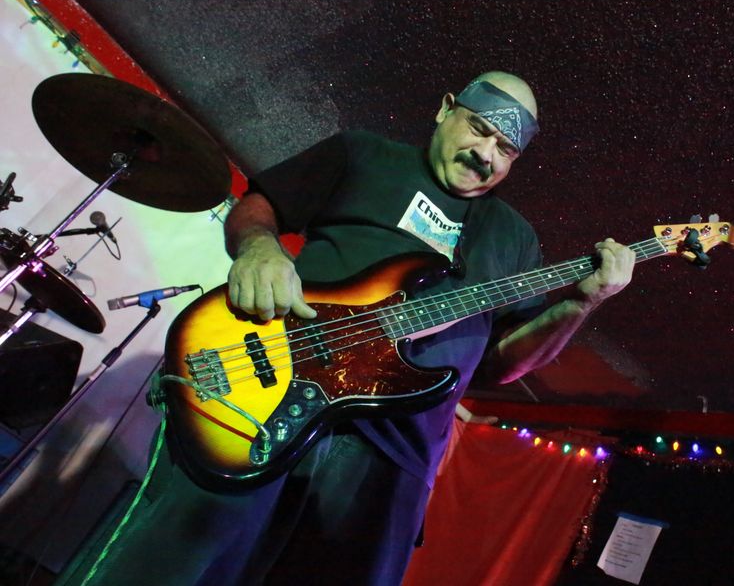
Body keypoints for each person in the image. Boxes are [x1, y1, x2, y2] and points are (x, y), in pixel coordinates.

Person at [65, 71, 635, 586]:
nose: (485, 154)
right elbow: (259, 207)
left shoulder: (514, 240)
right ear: (445, 108)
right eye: (479, 129)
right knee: (169, 562)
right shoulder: (363, 153)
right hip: (269, 391)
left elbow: (505, 364)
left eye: (505, 149)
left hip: (394, 457)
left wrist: (583, 302)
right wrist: (260, 248)